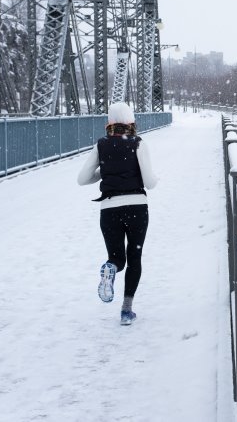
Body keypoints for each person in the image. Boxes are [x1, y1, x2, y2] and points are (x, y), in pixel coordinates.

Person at [77, 102, 159, 325]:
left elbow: (82, 179)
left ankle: (110, 269)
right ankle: (126, 310)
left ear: (109, 123)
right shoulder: (138, 143)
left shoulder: (101, 145)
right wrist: (154, 176)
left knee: (117, 258)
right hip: (136, 207)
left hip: (109, 209)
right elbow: (150, 182)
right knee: (134, 257)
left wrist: (104, 173)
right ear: (131, 122)